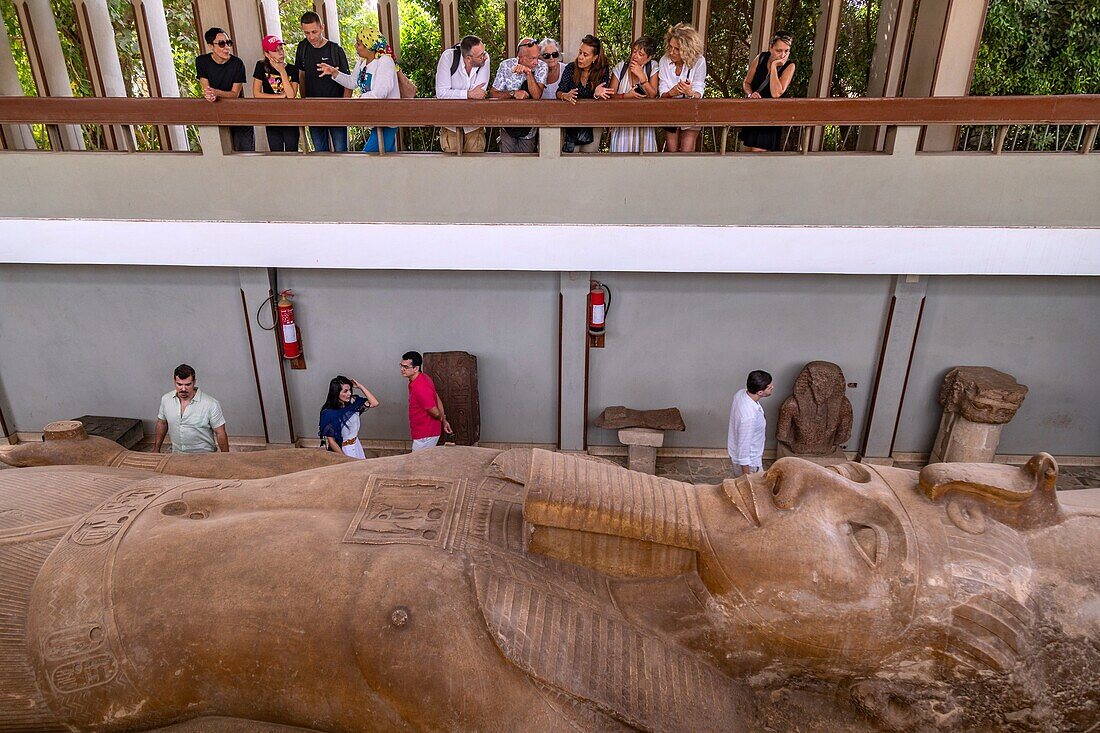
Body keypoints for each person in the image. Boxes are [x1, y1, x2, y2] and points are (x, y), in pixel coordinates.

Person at [320, 28, 400, 153]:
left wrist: (359, 100)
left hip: (388, 120)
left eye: (358, 44)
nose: (355, 46)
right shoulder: (362, 61)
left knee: (366, 158)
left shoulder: (384, 61)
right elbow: (352, 82)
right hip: (375, 119)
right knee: (386, 162)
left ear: (369, 46)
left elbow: (381, 92)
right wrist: (334, 73)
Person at [295, 12, 351, 152]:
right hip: (313, 110)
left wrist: (345, 107)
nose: (311, 37)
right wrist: (304, 102)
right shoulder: (302, 48)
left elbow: (348, 82)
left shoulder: (335, 50)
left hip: (336, 110)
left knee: (341, 151)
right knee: (320, 152)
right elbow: (301, 76)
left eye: (314, 31)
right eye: (307, 33)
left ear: (322, 28)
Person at [195, 27, 253, 152]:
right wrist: (210, 94)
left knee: (245, 153)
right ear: (211, 46)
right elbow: (207, 90)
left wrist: (216, 92)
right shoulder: (202, 61)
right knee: (217, 152)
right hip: (215, 113)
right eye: (221, 44)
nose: (226, 47)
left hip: (238, 114)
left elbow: (234, 94)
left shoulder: (237, 63)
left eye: (228, 43)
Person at [739, 31, 796, 152]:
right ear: (771, 48)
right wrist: (750, 94)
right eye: (779, 50)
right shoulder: (761, 58)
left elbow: (776, 93)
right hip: (755, 111)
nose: (782, 55)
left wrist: (775, 66)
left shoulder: (789, 66)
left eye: (786, 51)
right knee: (748, 151)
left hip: (771, 115)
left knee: (758, 151)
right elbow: (746, 83)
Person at [434, 35, 491, 153]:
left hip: (475, 124)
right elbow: (441, 93)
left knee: (475, 165)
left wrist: (456, 94)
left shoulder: (485, 59)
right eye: (480, 56)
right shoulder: (448, 57)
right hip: (450, 124)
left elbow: (480, 93)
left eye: (484, 52)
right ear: (468, 58)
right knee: (452, 166)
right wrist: (468, 94)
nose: (484, 57)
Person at [153, 363, 228, 454]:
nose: (183, 389)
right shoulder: (166, 399)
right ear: (174, 381)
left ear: (194, 382)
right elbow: (162, 423)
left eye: (188, 384)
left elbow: (220, 433)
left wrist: (226, 457)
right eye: (179, 384)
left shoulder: (211, 404)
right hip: (177, 455)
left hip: (205, 457)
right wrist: (156, 449)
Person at [556, 34, 612, 153]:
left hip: (594, 122)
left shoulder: (603, 70)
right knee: (570, 159)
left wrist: (596, 95)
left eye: (585, 55)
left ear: (595, 58)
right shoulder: (571, 68)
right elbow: (559, 92)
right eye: (580, 52)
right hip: (572, 122)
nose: (580, 57)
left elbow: (605, 97)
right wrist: (565, 96)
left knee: (588, 159)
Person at [490, 37, 548, 153]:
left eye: (537, 57)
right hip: (507, 124)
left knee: (526, 164)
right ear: (520, 56)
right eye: (532, 58)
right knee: (507, 163)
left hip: (529, 126)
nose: (536, 62)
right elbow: (493, 93)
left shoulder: (542, 66)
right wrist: (513, 93)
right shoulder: (505, 66)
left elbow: (537, 96)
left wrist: (528, 73)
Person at [658, 23, 706, 153]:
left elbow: (699, 91)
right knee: (671, 152)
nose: (672, 52)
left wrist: (689, 92)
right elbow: (662, 91)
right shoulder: (664, 60)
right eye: (670, 47)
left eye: (677, 49)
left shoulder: (699, 61)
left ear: (687, 49)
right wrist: (671, 93)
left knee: (687, 151)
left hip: (691, 110)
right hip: (671, 111)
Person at [609, 36, 659, 153]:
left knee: (645, 160)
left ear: (648, 58)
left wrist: (642, 77)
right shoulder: (621, 67)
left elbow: (652, 94)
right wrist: (626, 96)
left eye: (641, 54)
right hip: (622, 123)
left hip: (644, 123)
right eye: (634, 51)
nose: (635, 56)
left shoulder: (652, 67)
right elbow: (611, 95)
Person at [251, 35, 300, 152]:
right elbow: (256, 93)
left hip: (290, 118)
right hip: (272, 117)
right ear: (267, 54)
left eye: (281, 49)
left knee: (292, 152)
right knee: (276, 153)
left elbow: (291, 95)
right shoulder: (261, 67)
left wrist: (282, 71)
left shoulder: (293, 69)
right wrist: (278, 97)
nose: (280, 53)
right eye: (275, 50)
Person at [318, 375, 380, 459]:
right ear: (336, 393)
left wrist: (360, 386)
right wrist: (344, 458)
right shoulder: (329, 413)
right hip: (343, 449)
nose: (349, 393)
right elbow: (331, 442)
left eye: (350, 390)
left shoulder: (353, 403)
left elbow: (374, 403)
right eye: (345, 391)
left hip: (356, 445)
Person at [401, 350, 451, 451]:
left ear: (416, 368)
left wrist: (441, 418)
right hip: (424, 433)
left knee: (418, 465)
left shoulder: (420, 385)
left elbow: (434, 412)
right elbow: (436, 397)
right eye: (401, 366)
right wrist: (444, 420)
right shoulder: (422, 378)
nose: (402, 369)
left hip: (425, 435)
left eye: (406, 367)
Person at [727, 369, 773, 476]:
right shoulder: (749, 416)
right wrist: (746, 477)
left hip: (741, 456)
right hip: (751, 464)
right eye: (769, 387)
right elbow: (744, 448)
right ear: (760, 392)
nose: (772, 387)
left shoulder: (741, 393)